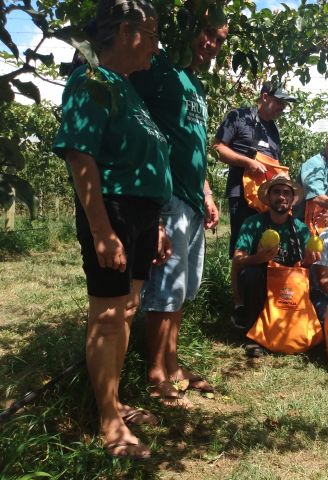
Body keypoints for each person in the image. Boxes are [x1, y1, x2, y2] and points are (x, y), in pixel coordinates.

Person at [53, 0, 170, 459]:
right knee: (107, 314)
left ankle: (117, 400)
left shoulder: (128, 88)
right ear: (126, 31)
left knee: (127, 310)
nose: (158, 45)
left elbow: (150, 160)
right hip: (114, 210)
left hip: (142, 213)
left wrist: (156, 223)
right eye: (154, 33)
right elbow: (81, 155)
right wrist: (103, 231)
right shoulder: (92, 81)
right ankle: (107, 421)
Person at [130, 9, 228, 405]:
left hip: (190, 197)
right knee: (165, 291)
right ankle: (156, 372)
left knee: (183, 290)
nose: (212, 43)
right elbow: (138, 125)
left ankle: (172, 363)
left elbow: (194, 147)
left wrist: (205, 190)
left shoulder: (196, 86)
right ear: (189, 29)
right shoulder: (158, 68)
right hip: (166, 195)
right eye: (207, 32)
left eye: (220, 38)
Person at [231, 173, 318, 356]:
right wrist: (259, 258)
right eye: (277, 192)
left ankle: (297, 329)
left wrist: (309, 262)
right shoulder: (253, 224)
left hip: (286, 286)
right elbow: (238, 260)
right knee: (252, 274)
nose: (281, 197)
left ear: (292, 199)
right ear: (268, 197)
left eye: (286, 193)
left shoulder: (300, 228)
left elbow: (302, 268)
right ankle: (254, 335)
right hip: (262, 283)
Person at [214, 82, 297, 257]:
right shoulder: (239, 117)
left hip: (266, 199)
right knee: (242, 248)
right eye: (279, 101)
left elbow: (274, 161)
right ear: (265, 97)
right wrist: (248, 163)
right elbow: (218, 148)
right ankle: (239, 284)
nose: (283, 107)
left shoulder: (273, 130)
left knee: (267, 246)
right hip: (241, 196)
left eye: (285, 104)